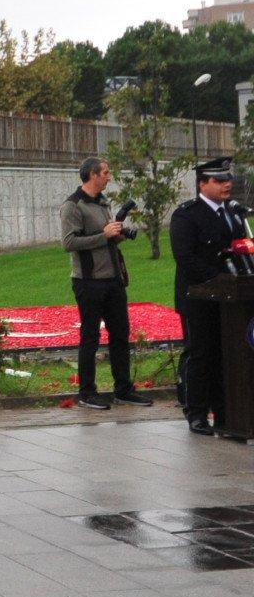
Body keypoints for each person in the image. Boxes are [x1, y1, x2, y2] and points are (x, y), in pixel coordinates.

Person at [59, 158, 152, 410]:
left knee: (120, 334)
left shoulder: (102, 202)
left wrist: (116, 236)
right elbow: (68, 243)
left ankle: (123, 389)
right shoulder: (72, 205)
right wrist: (104, 235)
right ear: (92, 175)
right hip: (88, 282)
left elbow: (106, 239)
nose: (109, 177)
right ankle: (87, 392)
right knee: (90, 336)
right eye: (106, 173)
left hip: (113, 280)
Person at [170, 156, 242, 435]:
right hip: (197, 298)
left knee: (226, 356)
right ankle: (197, 413)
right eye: (220, 180)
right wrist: (218, 278)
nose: (227, 184)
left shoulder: (234, 213)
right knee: (200, 355)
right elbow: (186, 259)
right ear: (203, 184)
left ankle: (226, 413)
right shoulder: (187, 215)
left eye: (228, 179)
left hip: (229, 300)